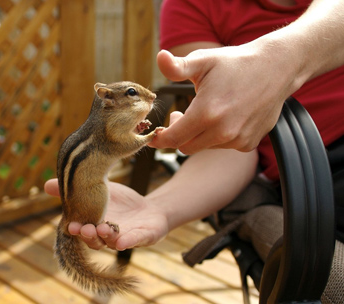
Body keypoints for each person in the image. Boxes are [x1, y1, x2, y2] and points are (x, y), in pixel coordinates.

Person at [45, 0, 344, 252]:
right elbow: (226, 139)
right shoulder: (190, 6)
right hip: (309, 170)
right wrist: (160, 206)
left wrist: (281, 59)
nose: (150, 98)